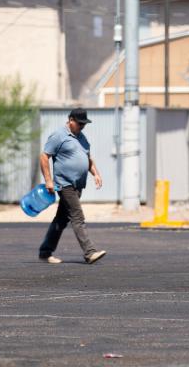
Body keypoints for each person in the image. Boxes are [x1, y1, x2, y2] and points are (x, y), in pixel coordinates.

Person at [38, 107, 107, 265]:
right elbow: (44, 156)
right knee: (77, 217)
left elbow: (87, 158)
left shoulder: (82, 138)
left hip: (78, 185)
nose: (82, 126)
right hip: (65, 184)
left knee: (61, 220)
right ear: (70, 120)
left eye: (84, 124)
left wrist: (96, 173)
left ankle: (45, 251)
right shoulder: (59, 136)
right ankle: (89, 252)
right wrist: (48, 180)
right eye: (80, 123)